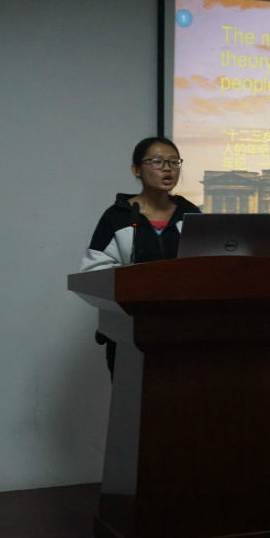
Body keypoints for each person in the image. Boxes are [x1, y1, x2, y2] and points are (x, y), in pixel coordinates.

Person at [80, 136, 200, 377]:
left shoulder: (191, 215)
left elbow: (206, 269)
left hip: (183, 334)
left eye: (174, 162)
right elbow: (93, 274)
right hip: (130, 334)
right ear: (136, 170)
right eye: (157, 161)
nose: (167, 168)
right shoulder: (118, 217)